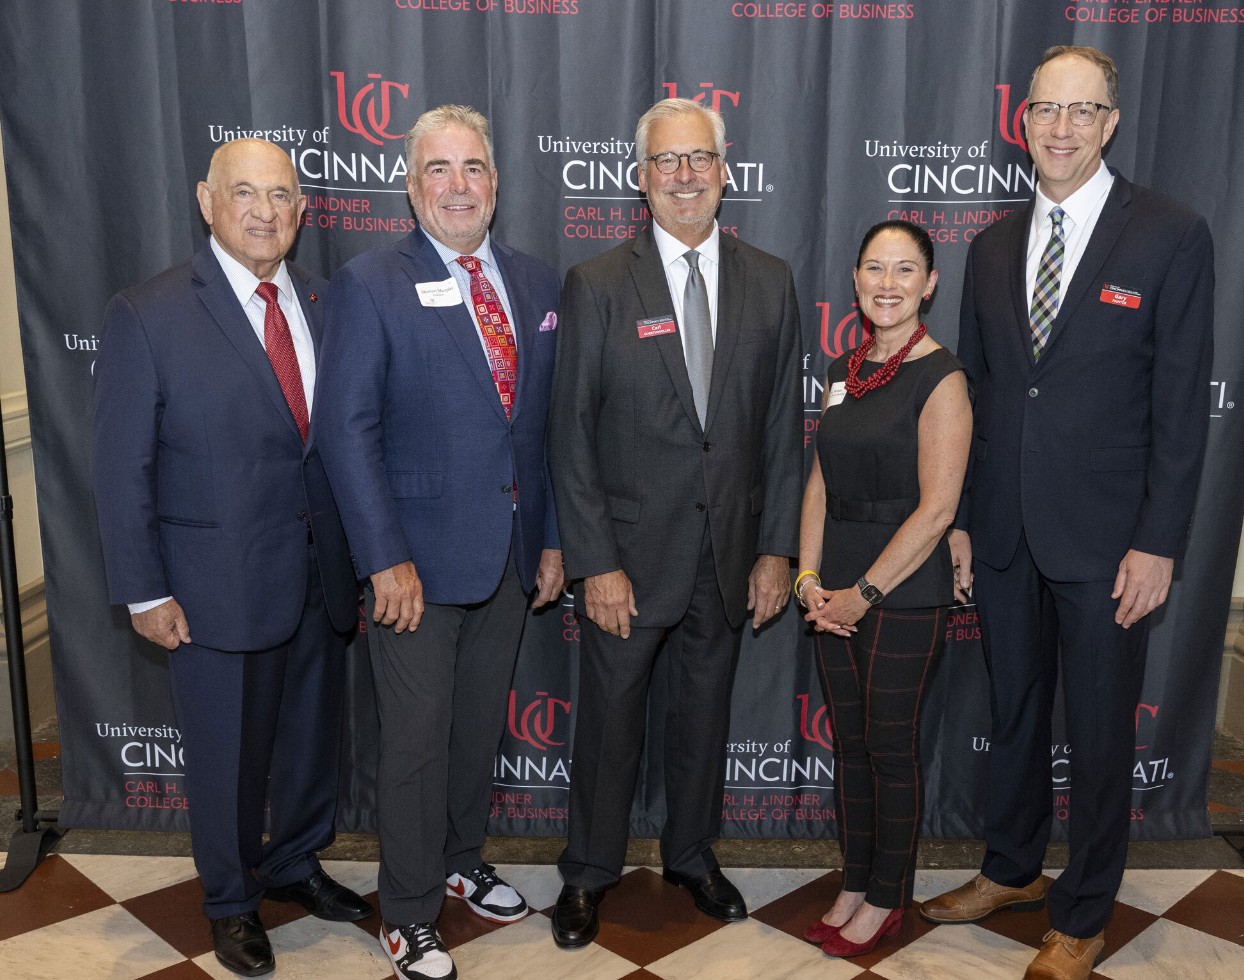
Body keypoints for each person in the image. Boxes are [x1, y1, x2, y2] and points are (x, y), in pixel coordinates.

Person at [919, 46, 1214, 980]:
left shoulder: (1171, 233)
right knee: (1013, 713)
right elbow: (975, 394)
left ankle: (1084, 913)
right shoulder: (991, 245)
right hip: (1006, 532)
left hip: (1109, 543)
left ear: (1110, 124)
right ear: (1024, 121)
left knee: (1096, 731)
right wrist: (965, 518)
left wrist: (1158, 543)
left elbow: (1181, 410)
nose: (1061, 127)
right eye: (1047, 109)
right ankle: (1010, 869)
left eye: (1083, 111)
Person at [92, 138, 370, 978]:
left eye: (280, 195)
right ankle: (230, 900)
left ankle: (294, 862)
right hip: (214, 585)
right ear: (206, 202)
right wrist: (144, 591)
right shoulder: (148, 312)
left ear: (303, 210)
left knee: (310, 742)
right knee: (227, 757)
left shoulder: (326, 299)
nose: (263, 211)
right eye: (243, 192)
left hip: (320, 573)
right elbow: (121, 465)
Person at [312, 104, 563, 980]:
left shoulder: (535, 283)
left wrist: (552, 539)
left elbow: (544, 430)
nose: (459, 186)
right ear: (411, 187)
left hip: (510, 554)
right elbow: (345, 430)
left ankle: (460, 858)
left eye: (474, 168)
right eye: (439, 169)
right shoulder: (369, 283)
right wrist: (383, 557)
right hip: (412, 565)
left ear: (497, 181)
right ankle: (410, 911)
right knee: (416, 744)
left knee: (473, 730)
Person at [547, 97, 802, 949]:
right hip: (627, 558)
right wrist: (595, 561)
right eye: (667, 161)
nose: (685, 176)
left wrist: (776, 550)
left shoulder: (771, 280)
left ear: (725, 171)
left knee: (702, 720)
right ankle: (588, 872)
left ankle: (692, 855)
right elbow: (570, 434)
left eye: (700, 159)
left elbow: (781, 429)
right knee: (610, 727)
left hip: (728, 554)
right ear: (641, 177)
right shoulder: (596, 284)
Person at [796, 220, 971, 958]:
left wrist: (861, 594)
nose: (888, 283)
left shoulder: (942, 377)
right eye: (875, 267)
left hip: (901, 591)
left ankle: (887, 897)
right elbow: (819, 481)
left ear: (929, 284)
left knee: (891, 749)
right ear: (856, 280)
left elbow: (938, 510)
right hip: (833, 584)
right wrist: (809, 578)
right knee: (851, 746)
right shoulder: (844, 369)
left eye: (905, 270)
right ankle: (856, 879)